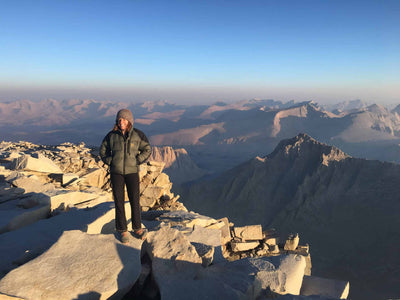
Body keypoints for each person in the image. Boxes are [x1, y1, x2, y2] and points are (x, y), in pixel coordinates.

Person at [100, 109, 151, 243]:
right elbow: (103, 150)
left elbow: (147, 149)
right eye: (119, 119)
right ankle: (122, 230)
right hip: (116, 173)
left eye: (123, 119)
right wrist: (110, 161)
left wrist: (137, 160)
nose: (121, 121)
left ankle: (137, 228)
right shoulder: (111, 135)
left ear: (129, 121)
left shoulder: (138, 135)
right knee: (119, 201)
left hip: (132, 172)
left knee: (135, 199)